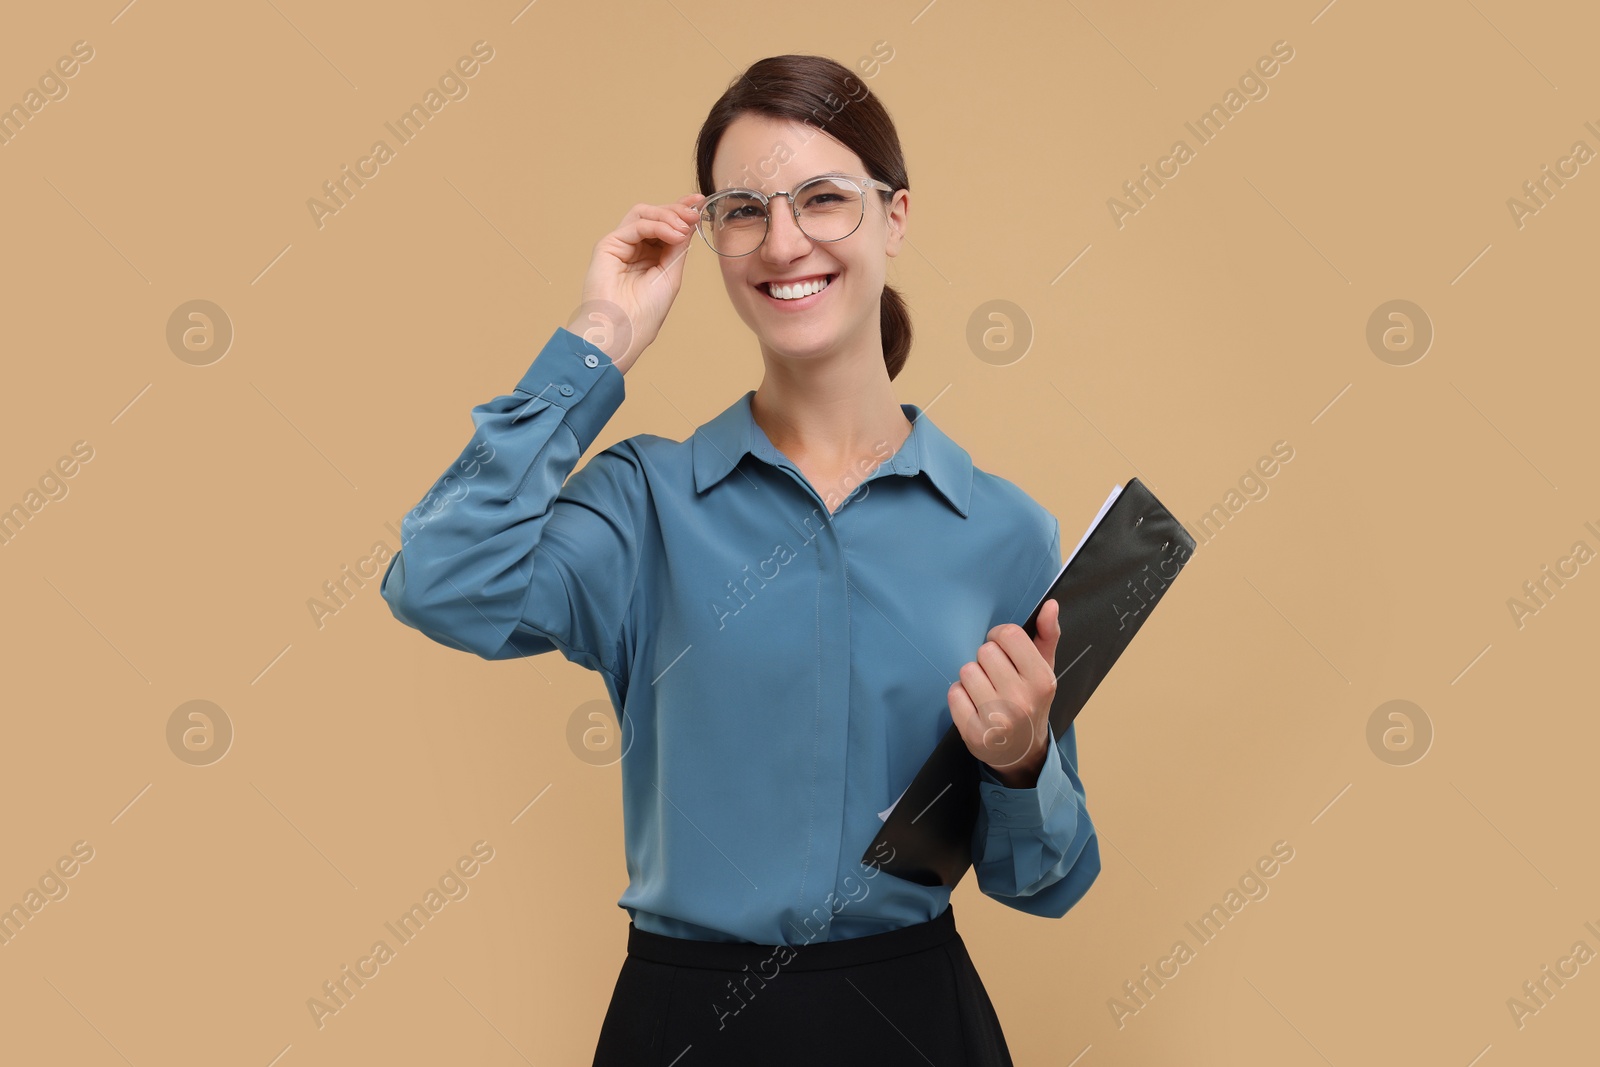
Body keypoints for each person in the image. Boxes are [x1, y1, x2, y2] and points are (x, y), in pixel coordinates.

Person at [380, 53, 1099, 1066]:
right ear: (712, 236)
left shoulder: (1007, 531)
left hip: (916, 1020)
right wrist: (599, 340)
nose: (784, 239)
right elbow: (438, 578)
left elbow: (1046, 881)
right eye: (744, 209)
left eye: (822, 199)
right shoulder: (642, 504)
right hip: (685, 1026)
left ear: (894, 216)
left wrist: (1021, 761)